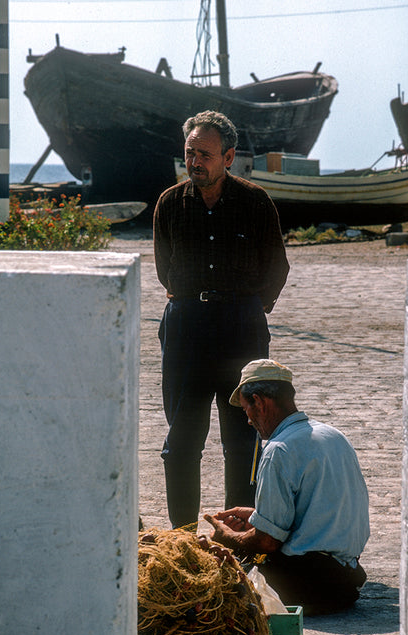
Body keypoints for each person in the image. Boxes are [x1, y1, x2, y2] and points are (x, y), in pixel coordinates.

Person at [154, 110, 290, 529]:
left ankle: (237, 538)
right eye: (190, 152)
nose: (195, 162)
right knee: (181, 442)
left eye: (205, 155)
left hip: (241, 332)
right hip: (186, 331)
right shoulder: (170, 204)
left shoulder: (255, 202)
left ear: (229, 157)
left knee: (242, 440)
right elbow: (164, 269)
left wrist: (249, 309)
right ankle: (183, 537)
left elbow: (277, 268)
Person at [204, 359, 370, 615]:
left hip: (309, 583)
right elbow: (316, 510)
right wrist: (257, 517)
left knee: (217, 585)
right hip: (347, 579)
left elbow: (267, 542)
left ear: (259, 402)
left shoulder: (278, 450)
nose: (248, 419)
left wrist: (228, 537)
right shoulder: (333, 435)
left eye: (247, 408)